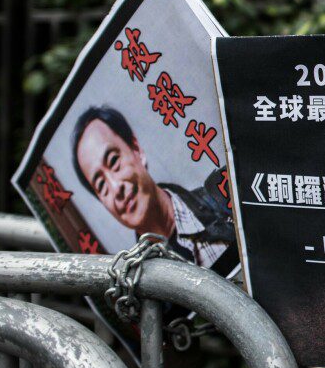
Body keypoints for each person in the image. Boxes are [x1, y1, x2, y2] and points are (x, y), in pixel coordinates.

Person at [71, 105, 235, 269]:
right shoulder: (137, 286)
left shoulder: (224, 196)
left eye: (113, 161)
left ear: (136, 150)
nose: (116, 188)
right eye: (101, 185)